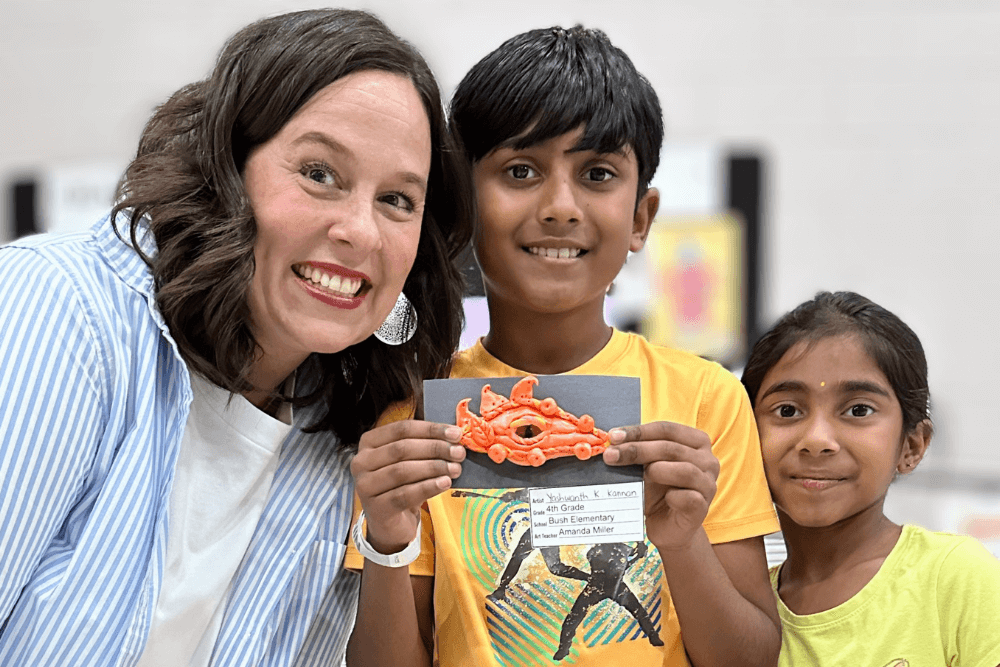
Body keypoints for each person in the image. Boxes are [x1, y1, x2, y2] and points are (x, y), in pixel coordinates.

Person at [0, 8, 473, 666]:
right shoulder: (62, 311)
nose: (362, 232)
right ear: (226, 171)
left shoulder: (348, 433)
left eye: (397, 199)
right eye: (319, 173)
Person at [347, 26, 781, 667]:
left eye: (598, 174)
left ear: (640, 218)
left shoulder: (705, 400)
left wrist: (683, 540)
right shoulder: (413, 417)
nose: (559, 206)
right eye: (520, 171)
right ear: (463, 204)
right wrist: (386, 539)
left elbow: (753, 659)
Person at [741, 291, 1000, 665]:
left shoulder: (958, 579)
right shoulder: (736, 618)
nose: (816, 441)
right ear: (744, 434)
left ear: (912, 445)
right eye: (787, 410)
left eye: (858, 410)